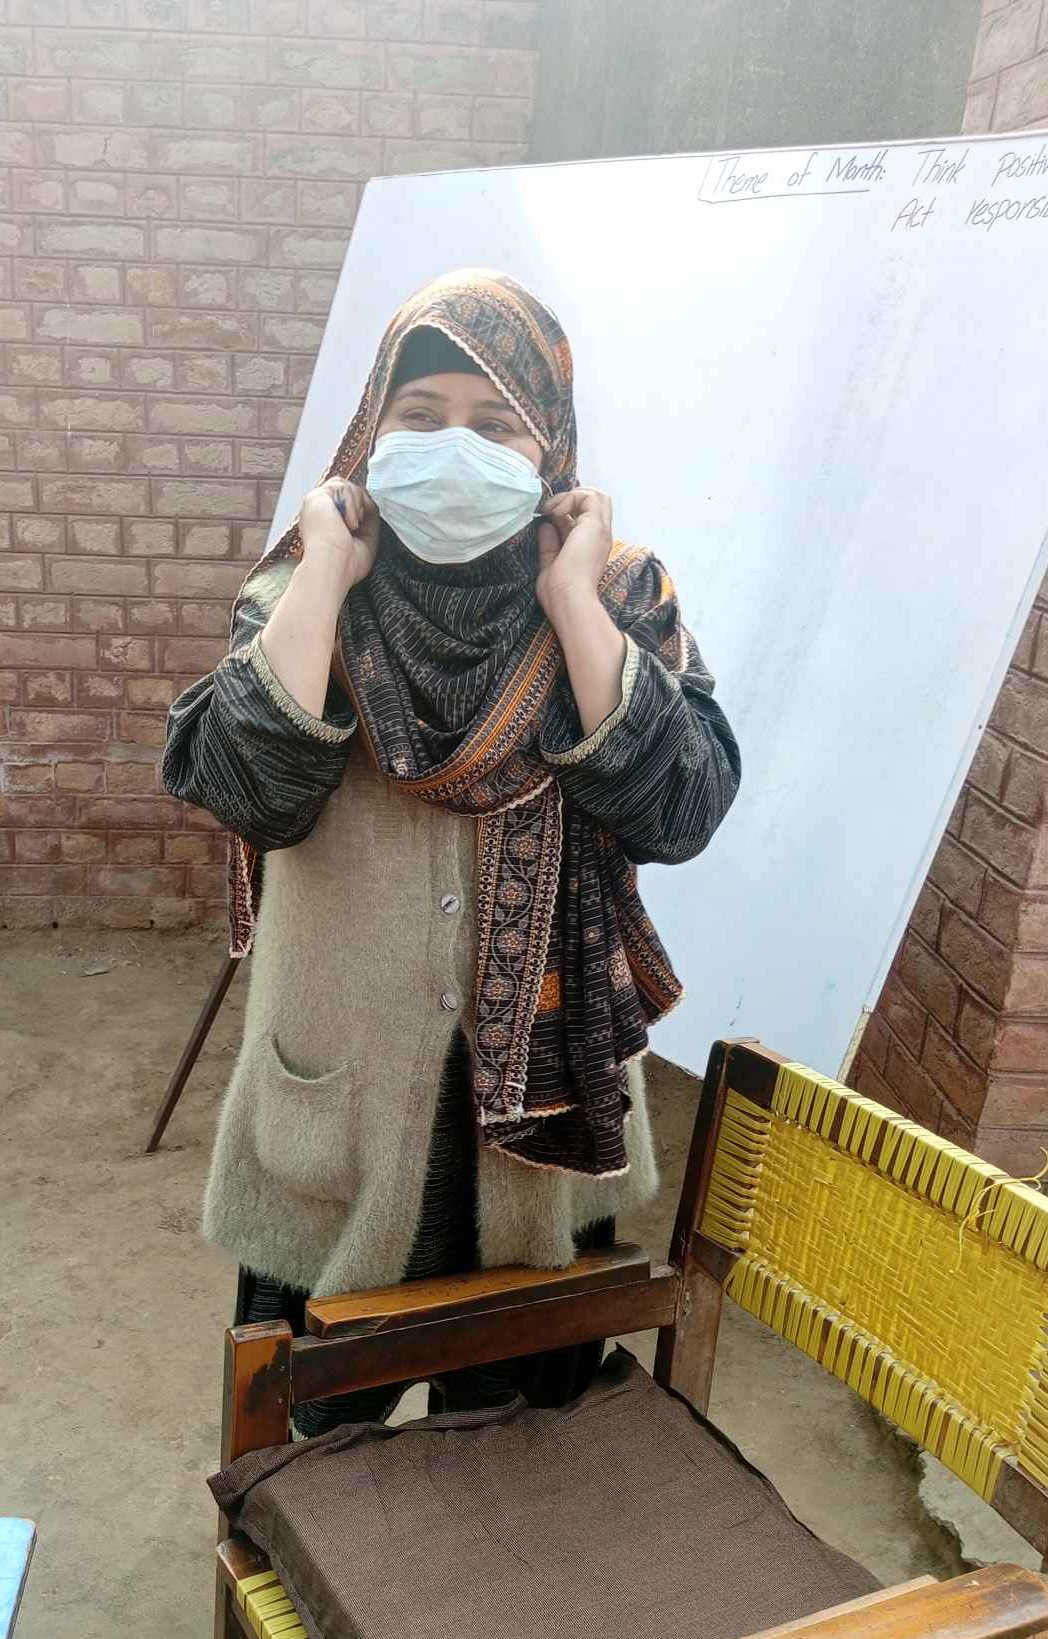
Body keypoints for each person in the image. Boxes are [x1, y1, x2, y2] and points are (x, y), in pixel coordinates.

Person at [161, 269, 739, 1436]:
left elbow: (680, 808)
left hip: (549, 1135)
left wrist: (571, 603)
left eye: (495, 424)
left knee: (522, 1457)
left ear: (549, 445)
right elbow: (243, 788)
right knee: (316, 1456)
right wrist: (327, 574)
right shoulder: (307, 586)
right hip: (334, 1120)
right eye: (420, 416)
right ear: (372, 430)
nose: (454, 449)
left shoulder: (619, 592)